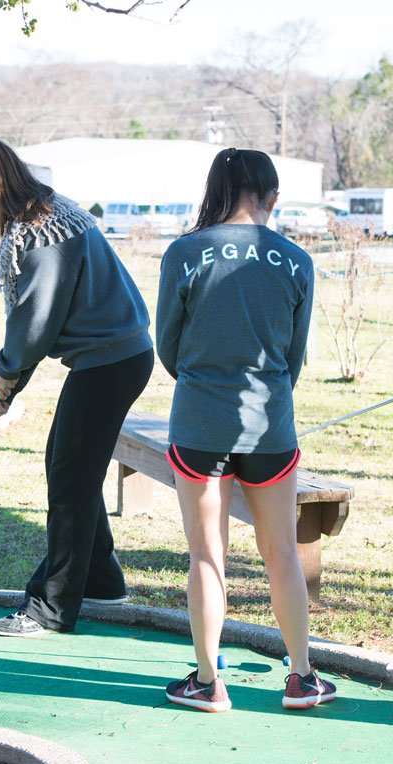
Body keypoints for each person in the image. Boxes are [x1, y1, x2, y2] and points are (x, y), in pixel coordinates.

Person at [155, 147, 335, 713]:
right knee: (281, 550)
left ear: (214, 192)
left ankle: (209, 684)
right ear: (272, 198)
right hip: (271, 427)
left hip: (198, 422)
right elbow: (295, 354)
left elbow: (168, 346)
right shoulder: (297, 260)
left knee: (206, 552)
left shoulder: (183, 253)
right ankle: (302, 678)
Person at [0, 139, 154, 638]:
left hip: (112, 361)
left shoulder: (40, 233)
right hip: (113, 358)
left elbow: (34, 326)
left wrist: (3, 385)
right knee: (69, 470)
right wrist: (8, 386)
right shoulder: (50, 210)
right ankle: (102, 580)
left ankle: (51, 608)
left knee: (69, 480)